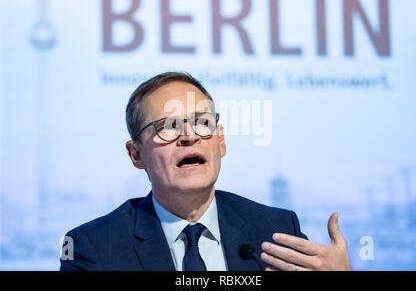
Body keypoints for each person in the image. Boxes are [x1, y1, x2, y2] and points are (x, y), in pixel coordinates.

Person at [60, 71, 351, 271]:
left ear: (220, 141)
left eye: (202, 123)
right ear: (136, 154)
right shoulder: (95, 248)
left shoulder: (275, 230)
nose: (189, 137)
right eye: (168, 127)